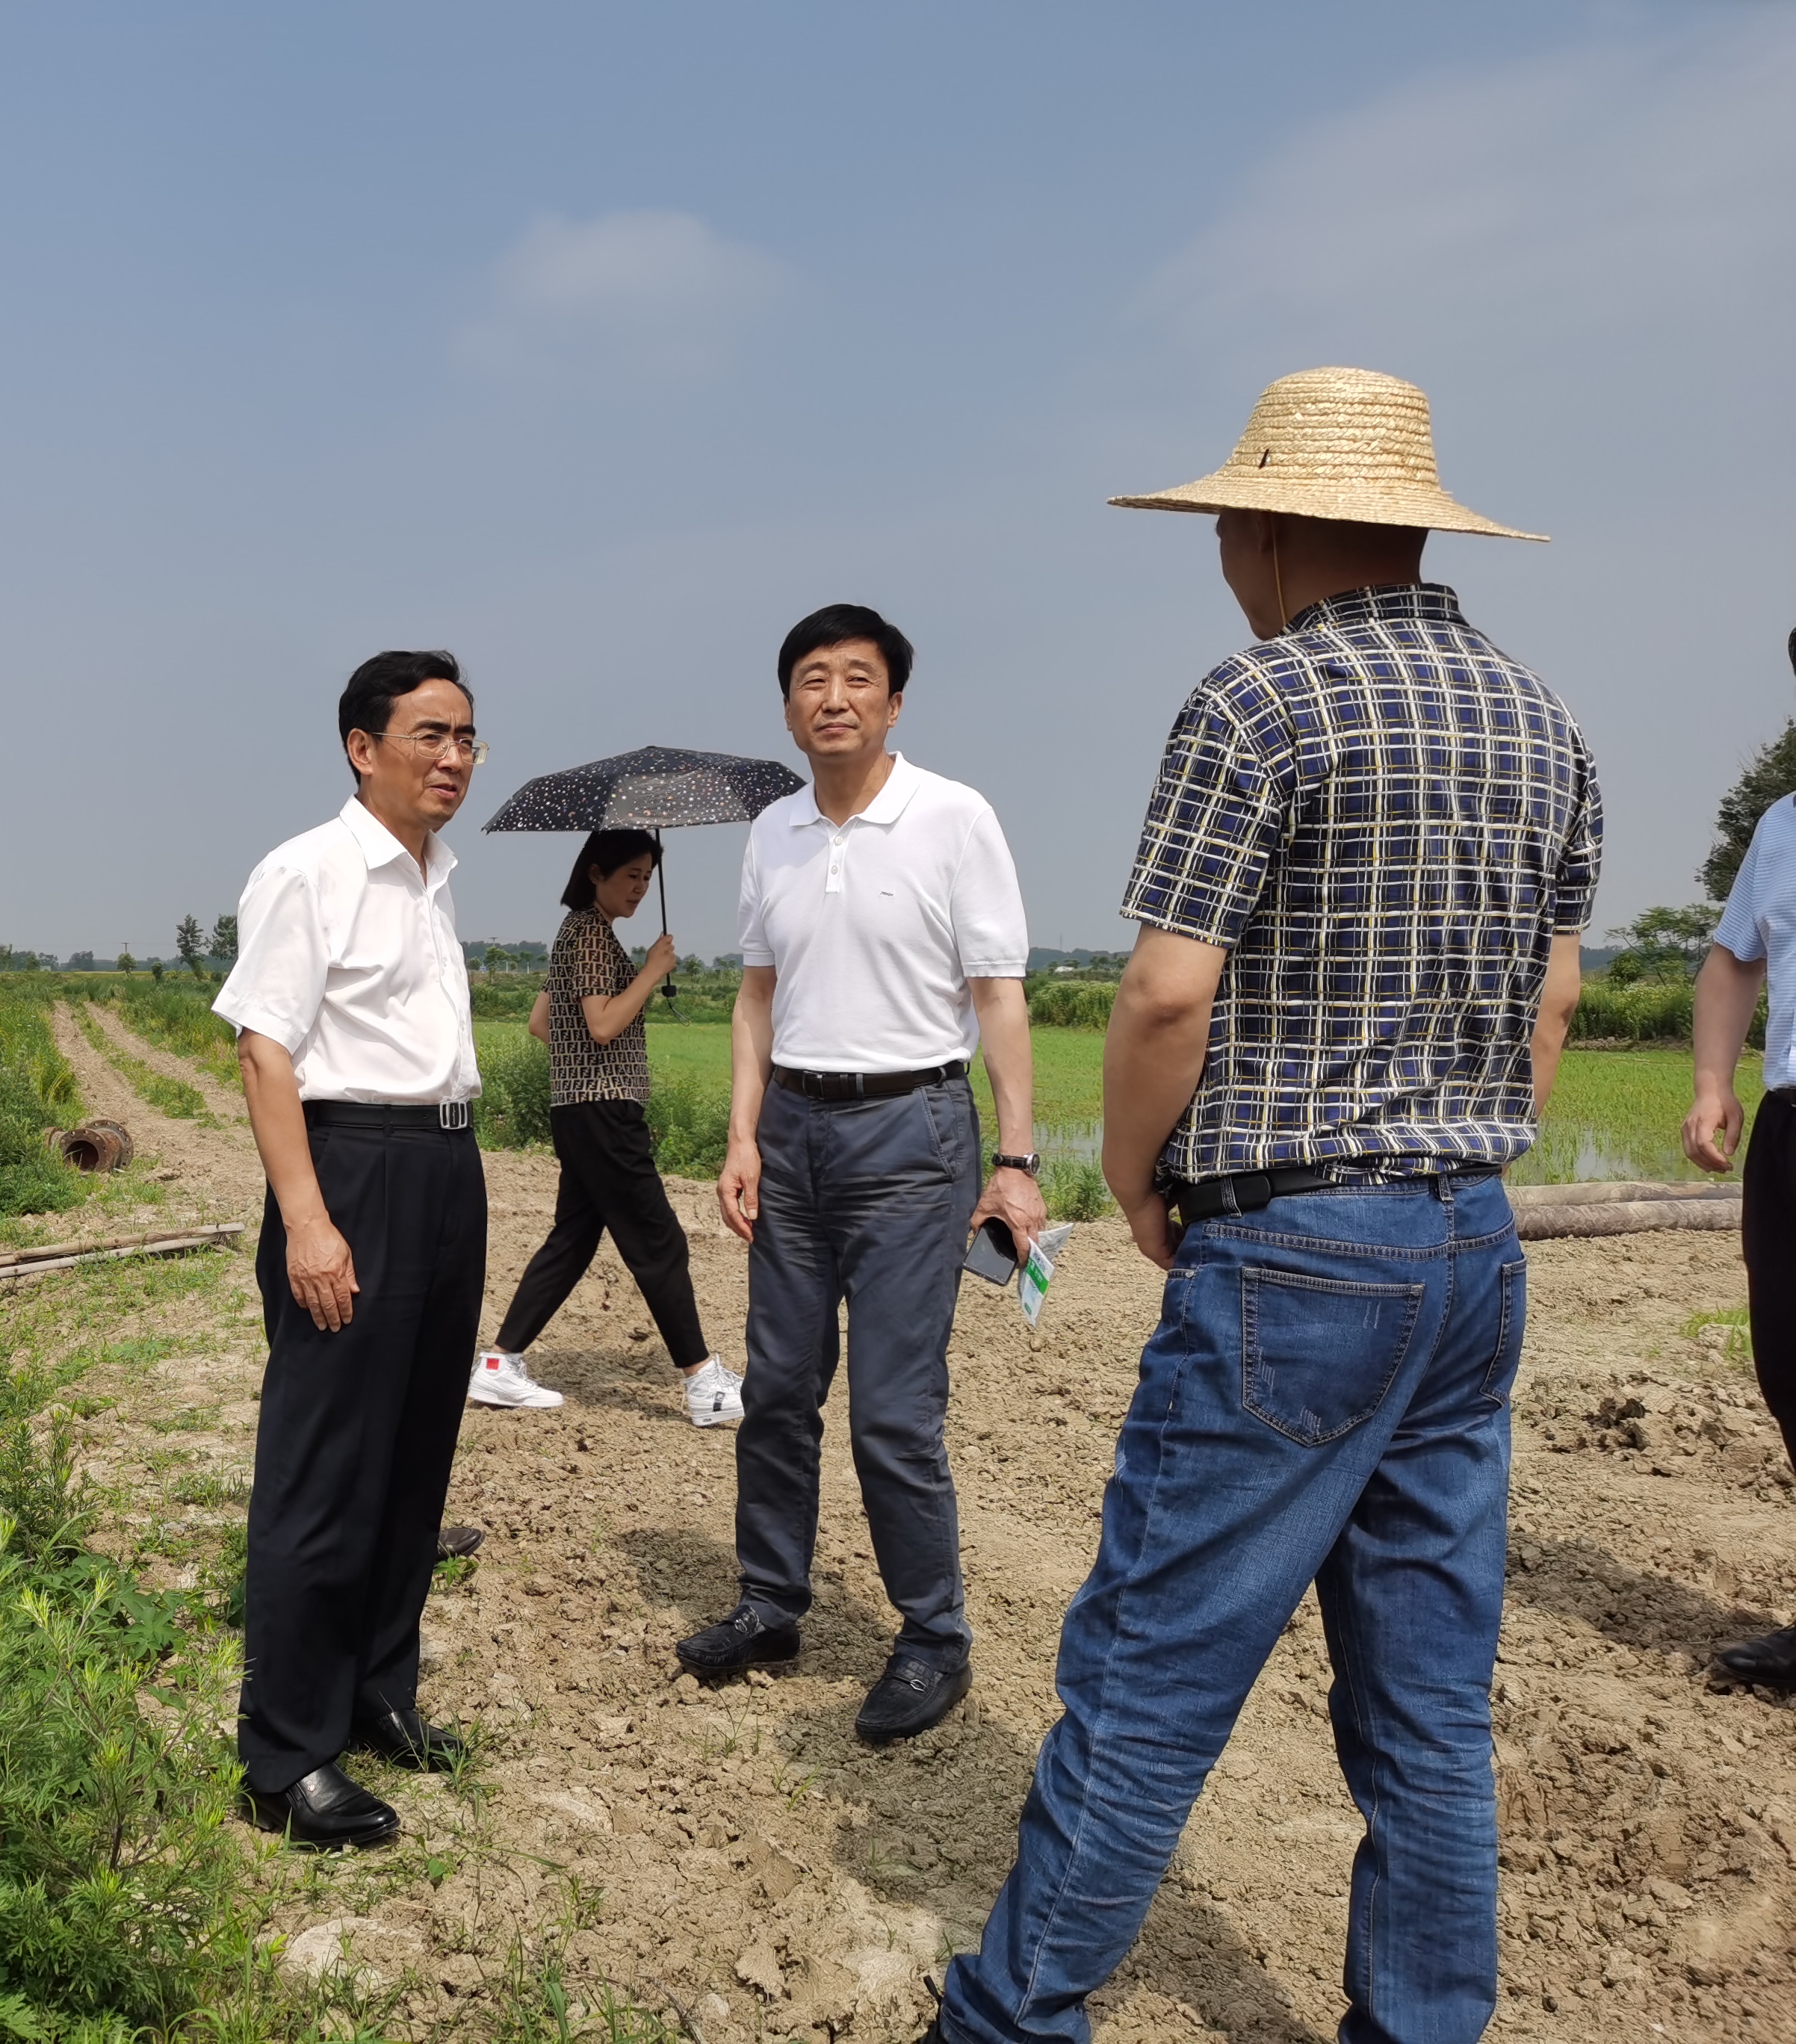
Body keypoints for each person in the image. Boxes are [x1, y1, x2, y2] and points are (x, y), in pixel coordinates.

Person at [932, 367, 1599, 2044]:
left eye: (1230, 521)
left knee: (1152, 1665)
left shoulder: (1260, 700)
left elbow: (1166, 992)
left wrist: (1135, 1175)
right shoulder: (1544, 719)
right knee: (1428, 1699)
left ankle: (1010, 2020)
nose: (1224, 550)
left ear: (1279, 526)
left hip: (1297, 1244)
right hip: (1468, 1239)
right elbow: (1554, 998)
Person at [674, 603, 1044, 1749]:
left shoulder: (952, 817)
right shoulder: (773, 831)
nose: (832, 698)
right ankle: (771, 1603)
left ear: (893, 701)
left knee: (892, 1410)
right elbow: (756, 996)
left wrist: (1016, 1160)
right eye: (811, 680)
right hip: (793, 1133)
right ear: (788, 707)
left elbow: (998, 997)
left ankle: (934, 1635)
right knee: (779, 1389)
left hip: (912, 1134)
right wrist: (743, 1137)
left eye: (856, 678)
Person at [211, 649, 489, 1849]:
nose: (454, 758)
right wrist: (309, 1218)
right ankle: (286, 1755)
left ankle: (378, 1690)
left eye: (468, 737)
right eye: (431, 734)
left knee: (415, 1455)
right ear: (361, 748)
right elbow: (264, 1051)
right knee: (324, 1468)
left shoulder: (432, 879)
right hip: (352, 1171)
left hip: (445, 1166)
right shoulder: (309, 871)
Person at [470, 829, 746, 1425]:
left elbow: (541, 1022)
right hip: (604, 1112)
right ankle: (703, 1382)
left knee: (573, 1241)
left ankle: (498, 1363)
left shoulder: (572, 932)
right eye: (630, 876)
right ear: (596, 874)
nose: (641, 888)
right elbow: (600, 1025)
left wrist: (585, 1061)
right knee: (660, 1241)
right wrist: (651, 972)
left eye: (647, 877)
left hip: (577, 1110)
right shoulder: (593, 935)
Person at [1685, 690, 1795, 1686]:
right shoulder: (1784, 825)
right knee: (1790, 1361)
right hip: (1794, 1121)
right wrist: (1714, 1082)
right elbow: (1730, 961)